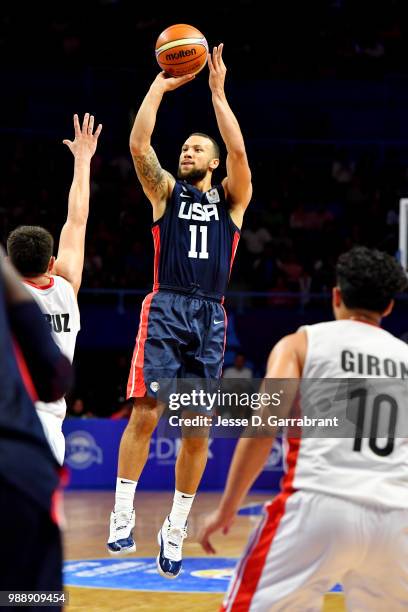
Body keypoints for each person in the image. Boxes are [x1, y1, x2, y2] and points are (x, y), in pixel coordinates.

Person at [107, 44, 252, 579]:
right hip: (166, 306)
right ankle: (122, 512)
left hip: (209, 316)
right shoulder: (166, 193)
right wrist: (159, 87)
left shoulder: (232, 202)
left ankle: (175, 526)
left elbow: (239, 155)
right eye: (185, 147)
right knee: (146, 412)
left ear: (211, 163)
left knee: (197, 430)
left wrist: (217, 95)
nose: (186, 152)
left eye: (196, 149)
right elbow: (139, 143)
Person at [198, 246, 408, 611]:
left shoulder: (302, 343)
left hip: (317, 504)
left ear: (336, 296)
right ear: (388, 307)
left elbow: (263, 428)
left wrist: (227, 509)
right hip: (399, 519)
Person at [7, 113, 102, 465]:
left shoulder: (7, 298)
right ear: (52, 263)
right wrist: (83, 160)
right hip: (48, 420)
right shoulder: (66, 286)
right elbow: (77, 219)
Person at [0, 249, 72, 600]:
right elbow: (53, 376)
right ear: (51, 264)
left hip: (26, 441)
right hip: (24, 445)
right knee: (33, 594)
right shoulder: (64, 290)